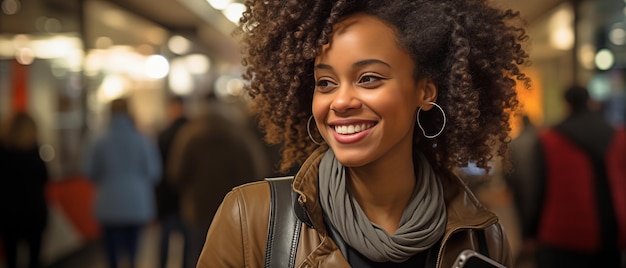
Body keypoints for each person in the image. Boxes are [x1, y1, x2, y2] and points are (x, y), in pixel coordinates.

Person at [197, 0, 530, 267]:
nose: (340, 102)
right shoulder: (250, 220)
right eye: (325, 83)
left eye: (369, 78)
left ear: (425, 92)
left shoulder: (482, 238)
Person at [528, 85, 626, 268]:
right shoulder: (618, 137)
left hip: (561, 236)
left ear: (567, 105)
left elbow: (538, 191)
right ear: (590, 102)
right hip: (611, 235)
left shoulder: (549, 140)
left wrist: (530, 232)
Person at [167, 92, 265, 267]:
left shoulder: (189, 134)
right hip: (233, 209)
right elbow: (255, 170)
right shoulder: (238, 134)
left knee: (197, 254)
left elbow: (176, 173)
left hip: (197, 208)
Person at [83, 98, 162, 268]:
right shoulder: (143, 141)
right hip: (136, 203)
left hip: (109, 204)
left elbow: (89, 172)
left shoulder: (99, 141)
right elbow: (154, 172)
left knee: (111, 255)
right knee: (133, 253)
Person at [0, 112, 49, 268]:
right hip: (34, 213)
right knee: (34, 259)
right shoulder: (34, 153)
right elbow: (45, 179)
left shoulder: (2, 154)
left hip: (7, 214)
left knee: (11, 259)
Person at [154, 96, 190, 268]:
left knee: (166, 238)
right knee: (189, 241)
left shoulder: (164, 134)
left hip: (168, 196)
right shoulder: (192, 132)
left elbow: (158, 169)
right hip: (188, 195)